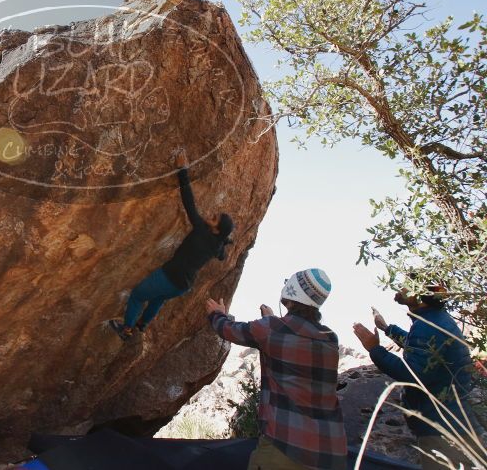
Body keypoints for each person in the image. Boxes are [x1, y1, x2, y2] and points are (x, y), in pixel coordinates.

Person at [206, 269, 347, 470]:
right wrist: (270, 321)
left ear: (291, 291)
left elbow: (229, 330)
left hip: (285, 447)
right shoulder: (330, 338)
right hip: (330, 452)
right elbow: (290, 341)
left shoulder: (272, 329)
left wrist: (217, 314)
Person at [110, 149, 234, 340]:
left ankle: (126, 330)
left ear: (216, 229)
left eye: (215, 218)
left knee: (138, 295)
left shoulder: (202, 230)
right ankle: (142, 325)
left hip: (169, 276)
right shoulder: (217, 246)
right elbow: (222, 255)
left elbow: (189, 203)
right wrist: (224, 240)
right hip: (183, 285)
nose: (211, 216)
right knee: (158, 299)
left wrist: (182, 170)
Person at [353, 278, 476, 470]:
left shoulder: (428, 326)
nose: (400, 288)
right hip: (454, 422)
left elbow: (413, 374)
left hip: (440, 430)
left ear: (420, 295)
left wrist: (374, 349)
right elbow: (421, 348)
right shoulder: (433, 321)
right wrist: (387, 329)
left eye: (407, 285)